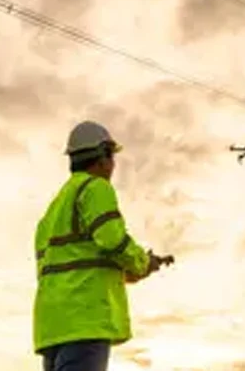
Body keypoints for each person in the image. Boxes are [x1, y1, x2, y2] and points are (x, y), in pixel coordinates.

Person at [32, 121, 171, 371]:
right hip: (85, 321)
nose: (114, 165)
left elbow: (80, 264)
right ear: (103, 156)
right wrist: (142, 262)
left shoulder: (53, 211)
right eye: (112, 157)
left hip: (53, 327)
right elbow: (112, 240)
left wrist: (138, 271)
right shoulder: (95, 188)